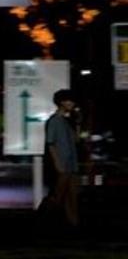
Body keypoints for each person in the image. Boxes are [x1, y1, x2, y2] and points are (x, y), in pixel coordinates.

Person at [43, 88, 80, 228]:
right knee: (59, 195)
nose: (71, 103)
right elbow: (50, 144)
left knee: (73, 195)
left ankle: (74, 223)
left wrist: (77, 123)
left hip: (71, 163)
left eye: (72, 100)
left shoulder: (67, 121)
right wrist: (57, 163)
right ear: (61, 102)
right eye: (68, 100)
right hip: (62, 164)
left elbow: (76, 140)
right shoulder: (54, 121)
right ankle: (47, 221)